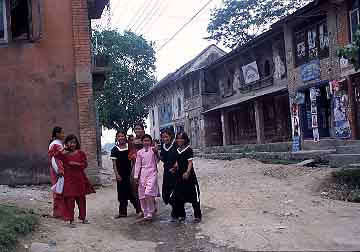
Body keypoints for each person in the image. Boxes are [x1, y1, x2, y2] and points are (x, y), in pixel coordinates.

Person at [55, 134, 96, 227]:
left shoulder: (81, 153)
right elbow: (56, 156)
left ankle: (83, 217)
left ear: (76, 143)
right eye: (70, 142)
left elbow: (85, 165)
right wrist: (62, 149)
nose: (72, 144)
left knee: (81, 199)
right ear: (67, 143)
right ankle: (71, 220)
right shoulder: (64, 154)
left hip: (80, 179)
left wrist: (76, 164)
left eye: (74, 142)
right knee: (70, 200)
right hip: (69, 180)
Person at [110, 130, 141, 218]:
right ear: (116, 138)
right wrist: (116, 174)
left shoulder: (130, 147)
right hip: (121, 174)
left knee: (133, 192)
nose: (121, 138)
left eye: (122, 136)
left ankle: (139, 210)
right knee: (122, 194)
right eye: (119, 136)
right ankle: (122, 212)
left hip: (131, 173)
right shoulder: (114, 150)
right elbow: (114, 164)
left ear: (125, 137)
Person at [173, 132, 202, 223]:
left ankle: (197, 215)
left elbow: (190, 162)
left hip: (189, 176)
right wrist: (174, 167)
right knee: (179, 195)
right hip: (179, 176)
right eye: (178, 138)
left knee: (194, 196)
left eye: (181, 138)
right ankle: (181, 214)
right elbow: (178, 161)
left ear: (185, 140)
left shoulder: (189, 150)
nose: (179, 140)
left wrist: (188, 172)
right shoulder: (177, 150)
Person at [134, 134, 160, 221]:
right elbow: (138, 165)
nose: (146, 142)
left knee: (148, 192)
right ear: (142, 142)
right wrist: (136, 176)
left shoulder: (153, 150)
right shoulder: (139, 152)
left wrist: (156, 152)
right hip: (143, 174)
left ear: (151, 141)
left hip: (152, 173)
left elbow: (158, 161)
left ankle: (151, 211)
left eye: (148, 140)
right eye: (145, 140)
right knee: (142, 195)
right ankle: (145, 212)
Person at [159, 129, 178, 221]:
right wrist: (156, 153)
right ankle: (175, 208)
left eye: (166, 136)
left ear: (170, 136)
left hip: (176, 172)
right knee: (166, 194)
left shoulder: (176, 145)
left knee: (175, 192)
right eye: (162, 137)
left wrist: (176, 165)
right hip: (167, 172)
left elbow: (181, 155)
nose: (164, 138)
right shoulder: (163, 146)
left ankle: (175, 212)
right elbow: (163, 158)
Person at [48, 126, 65, 219]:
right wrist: (59, 171)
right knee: (59, 190)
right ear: (57, 134)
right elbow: (54, 159)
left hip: (58, 169)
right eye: (62, 133)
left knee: (59, 189)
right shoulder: (55, 144)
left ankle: (59, 212)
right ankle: (58, 213)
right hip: (57, 170)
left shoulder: (58, 143)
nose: (64, 135)